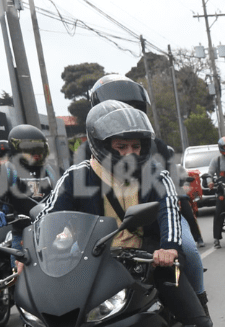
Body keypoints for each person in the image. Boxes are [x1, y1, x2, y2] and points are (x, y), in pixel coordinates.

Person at [38, 101, 225, 327]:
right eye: (120, 146)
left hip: (149, 259)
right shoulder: (75, 177)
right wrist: (38, 250)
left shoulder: (155, 174)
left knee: (198, 323)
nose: (128, 153)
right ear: (101, 145)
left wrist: (169, 249)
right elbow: (47, 217)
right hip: (94, 262)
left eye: (135, 146)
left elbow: (170, 214)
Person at [86, 74, 211, 304]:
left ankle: (199, 298)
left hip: (159, 210)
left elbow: (170, 172)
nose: (124, 117)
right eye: (115, 109)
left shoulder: (153, 143)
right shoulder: (91, 149)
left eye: (132, 109)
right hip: (106, 233)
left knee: (190, 250)